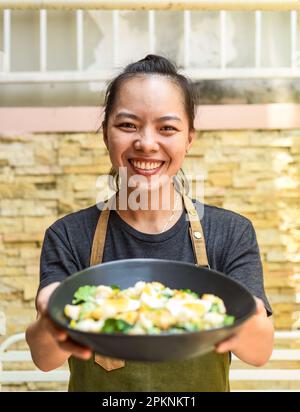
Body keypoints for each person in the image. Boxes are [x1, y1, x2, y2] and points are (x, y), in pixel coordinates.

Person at [26, 54, 274, 392]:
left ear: (188, 138)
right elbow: (44, 359)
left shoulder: (230, 232)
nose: (146, 143)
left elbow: (259, 353)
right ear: (105, 133)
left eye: (167, 128)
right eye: (127, 125)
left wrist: (247, 313)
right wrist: (52, 318)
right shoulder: (69, 235)